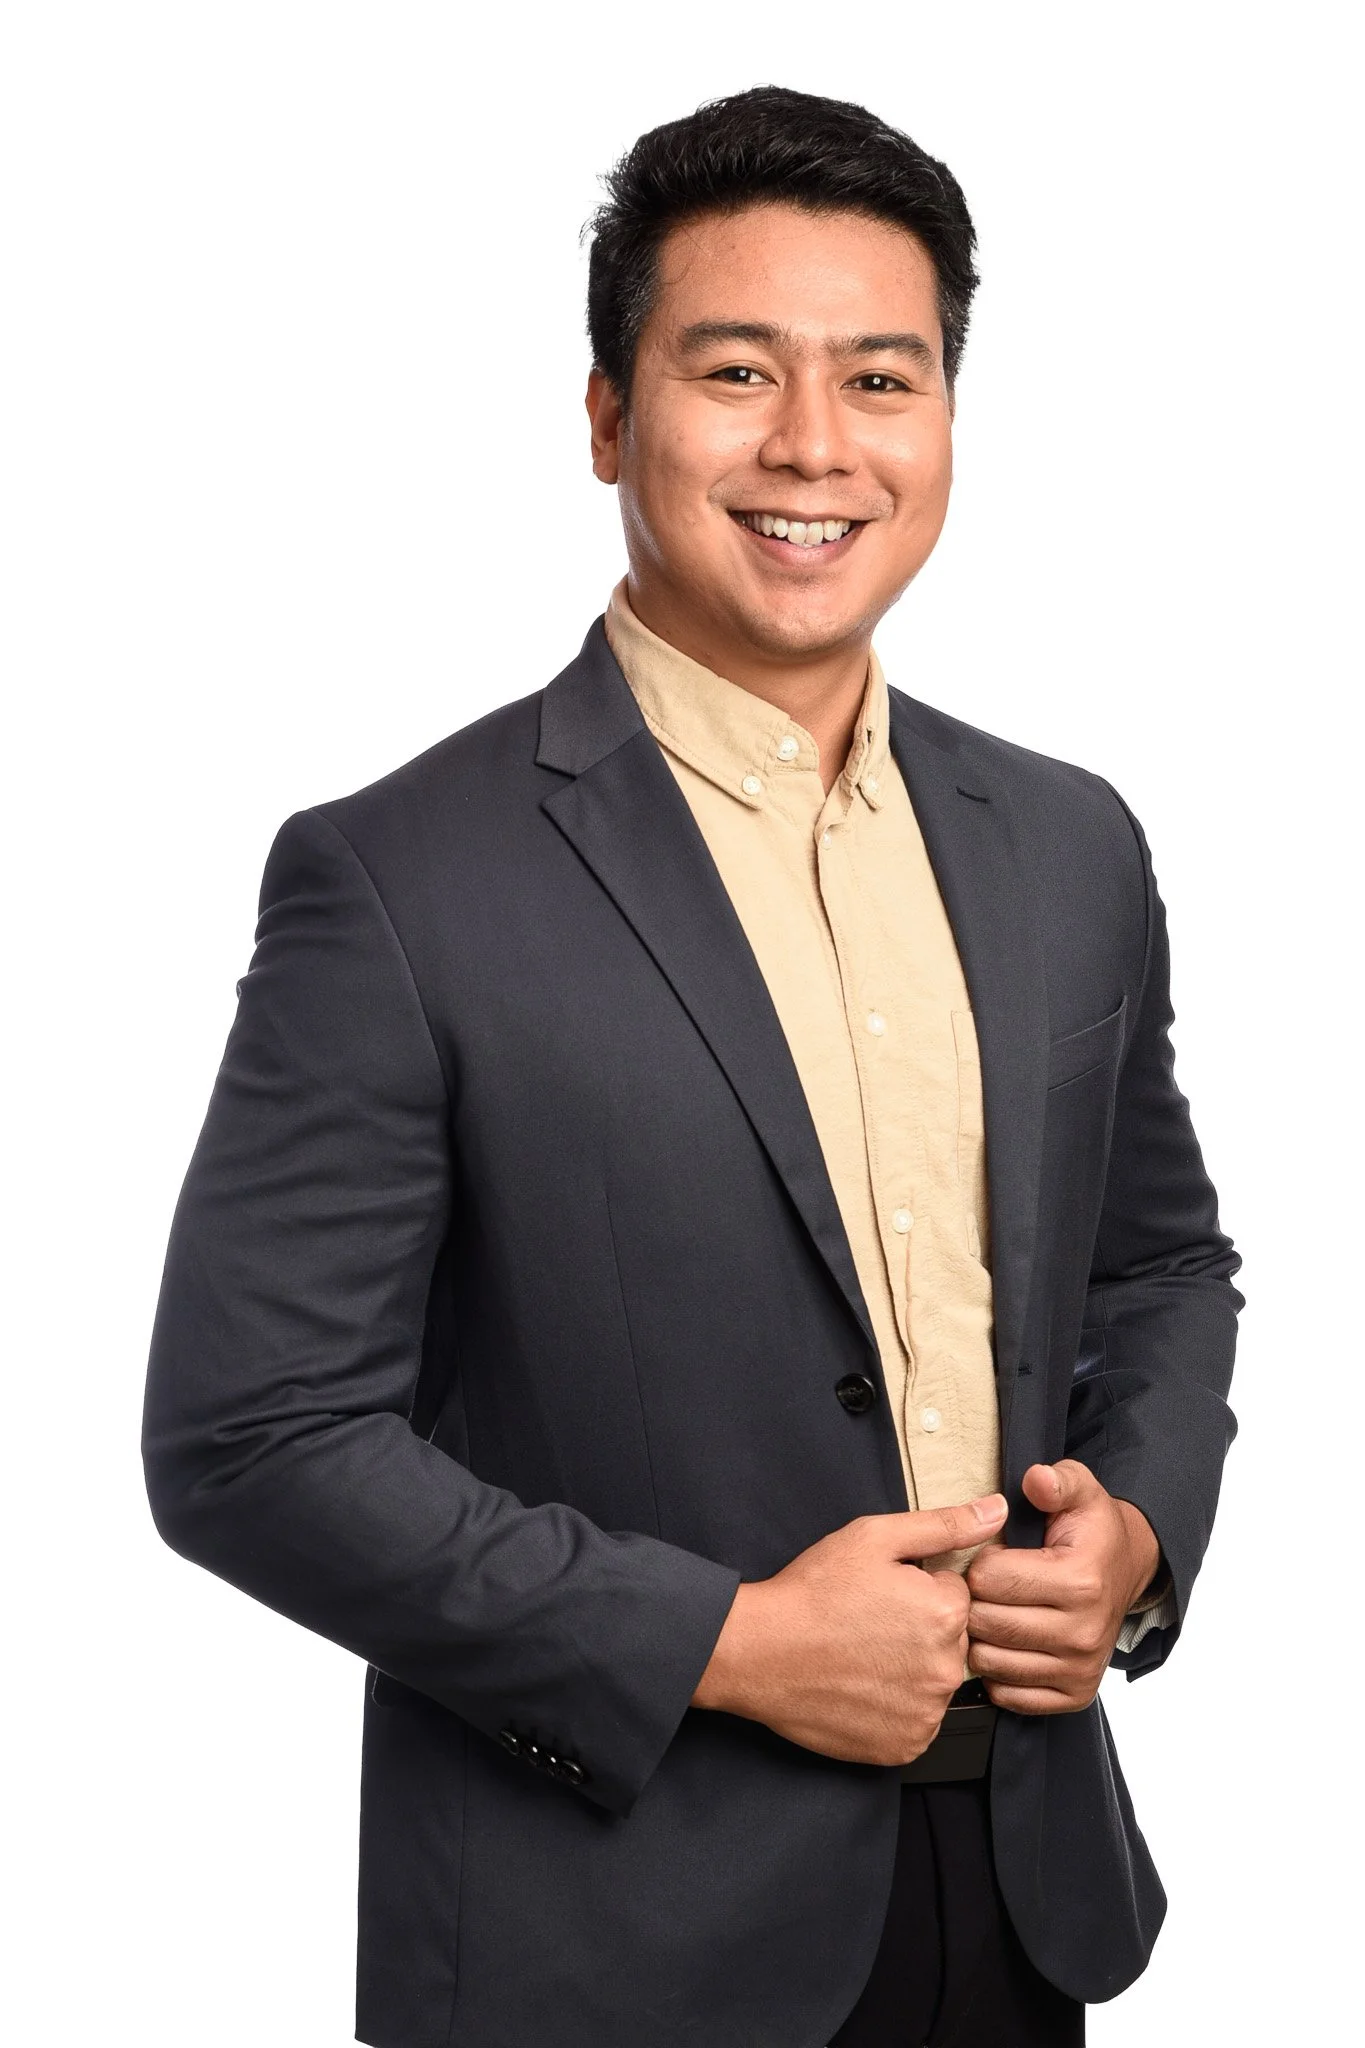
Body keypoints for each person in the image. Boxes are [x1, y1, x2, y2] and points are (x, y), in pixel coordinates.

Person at [142, 84, 1242, 2048]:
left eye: (879, 379)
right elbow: (251, 1440)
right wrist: (728, 1642)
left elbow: (1155, 1266)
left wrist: (1135, 1537)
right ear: (604, 418)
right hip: (607, 1947)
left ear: (946, 422)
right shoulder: (400, 880)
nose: (812, 446)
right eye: (734, 371)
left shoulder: (1068, 844)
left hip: (1019, 1898)